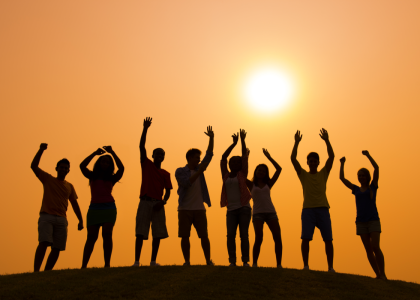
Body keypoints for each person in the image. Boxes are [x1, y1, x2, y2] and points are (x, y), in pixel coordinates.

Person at [31, 143, 83, 272]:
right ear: (57, 168)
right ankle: (36, 272)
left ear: (68, 171)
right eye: (61, 167)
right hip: (46, 216)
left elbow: (74, 203)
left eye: (66, 168)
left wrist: (80, 220)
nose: (63, 170)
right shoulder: (48, 179)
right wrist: (41, 150)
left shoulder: (69, 186)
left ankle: (47, 272)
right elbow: (34, 166)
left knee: (57, 247)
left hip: (61, 219)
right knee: (44, 242)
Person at [291, 129, 335, 272]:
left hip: (323, 208)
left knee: (328, 239)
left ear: (318, 162)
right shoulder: (303, 174)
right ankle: (306, 266)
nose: (313, 163)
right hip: (308, 210)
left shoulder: (323, 173)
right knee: (305, 238)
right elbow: (293, 159)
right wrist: (296, 143)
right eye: (310, 161)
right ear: (308, 162)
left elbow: (332, 157)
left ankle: (330, 267)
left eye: (315, 161)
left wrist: (327, 140)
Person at [339, 151, 387, 279]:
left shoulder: (373, 187)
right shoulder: (355, 189)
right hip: (361, 222)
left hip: (373, 220)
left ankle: (383, 273)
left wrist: (368, 155)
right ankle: (377, 275)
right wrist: (342, 164)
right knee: (368, 250)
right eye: (359, 176)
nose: (361, 177)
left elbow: (376, 168)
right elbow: (342, 179)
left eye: (363, 175)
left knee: (375, 246)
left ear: (367, 177)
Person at [133, 117, 173, 267]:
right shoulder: (147, 165)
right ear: (153, 155)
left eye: (162, 154)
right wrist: (145, 128)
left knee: (157, 233)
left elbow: (169, 191)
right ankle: (137, 261)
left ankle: (153, 261)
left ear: (163, 157)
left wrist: (163, 202)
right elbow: (141, 146)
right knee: (140, 232)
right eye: (157, 154)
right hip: (145, 201)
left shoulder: (165, 173)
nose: (159, 156)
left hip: (158, 204)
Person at [175, 126, 215, 266]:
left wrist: (211, 138)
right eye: (197, 158)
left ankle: (208, 261)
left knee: (204, 236)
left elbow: (209, 155)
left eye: (199, 158)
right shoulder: (180, 171)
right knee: (185, 236)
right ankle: (187, 261)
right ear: (190, 158)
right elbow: (186, 183)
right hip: (184, 209)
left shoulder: (200, 168)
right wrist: (199, 173)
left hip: (199, 209)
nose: (199, 160)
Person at [80, 146, 124, 268]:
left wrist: (112, 152)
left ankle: (107, 264)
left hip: (109, 208)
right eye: (103, 161)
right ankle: (83, 266)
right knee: (91, 237)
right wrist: (94, 153)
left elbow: (121, 168)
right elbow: (82, 166)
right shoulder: (92, 175)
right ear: (99, 163)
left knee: (107, 234)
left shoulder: (111, 178)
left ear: (110, 165)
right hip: (94, 209)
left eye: (107, 162)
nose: (105, 164)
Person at [246, 149, 282, 268]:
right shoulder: (251, 184)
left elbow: (279, 169)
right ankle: (255, 263)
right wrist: (246, 157)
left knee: (277, 236)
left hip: (271, 212)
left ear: (266, 173)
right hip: (258, 214)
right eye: (259, 170)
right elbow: (241, 173)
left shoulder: (269, 184)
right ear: (255, 171)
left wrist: (269, 157)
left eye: (263, 171)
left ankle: (278, 264)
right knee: (259, 237)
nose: (261, 172)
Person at [220, 130, 252, 267]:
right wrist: (233, 143)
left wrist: (243, 141)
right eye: (232, 162)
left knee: (244, 235)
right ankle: (232, 261)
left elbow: (244, 156)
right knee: (230, 235)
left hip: (244, 208)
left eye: (236, 162)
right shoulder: (226, 175)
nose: (234, 164)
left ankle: (245, 261)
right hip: (231, 210)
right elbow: (223, 157)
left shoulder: (242, 173)